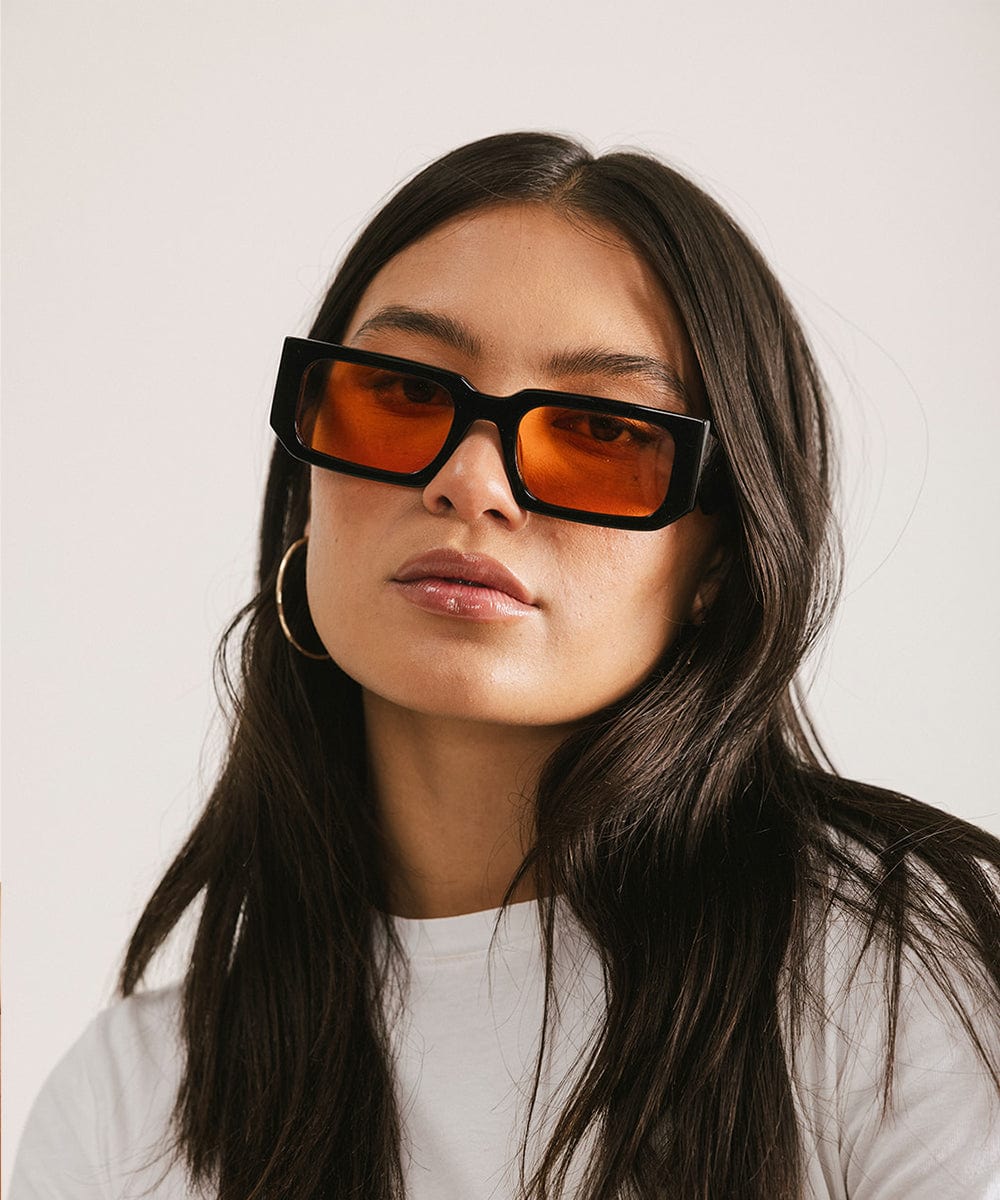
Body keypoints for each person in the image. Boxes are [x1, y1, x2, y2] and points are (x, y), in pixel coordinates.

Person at [11, 131, 1000, 1200]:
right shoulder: (133, 1102)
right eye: (400, 396)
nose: (472, 481)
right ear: (304, 479)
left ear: (718, 555)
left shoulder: (902, 975)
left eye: (597, 430)